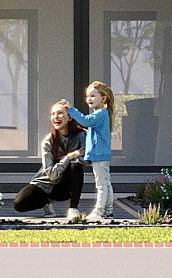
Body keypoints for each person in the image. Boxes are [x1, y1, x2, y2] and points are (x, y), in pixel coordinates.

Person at [64, 80, 118, 220]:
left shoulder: (100, 114)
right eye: (87, 96)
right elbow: (92, 128)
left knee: (101, 185)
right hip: (100, 154)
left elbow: (85, 120)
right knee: (106, 183)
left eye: (93, 96)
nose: (89, 99)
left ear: (103, 98)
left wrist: (71, 109)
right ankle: (108, 210)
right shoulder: (102, 114)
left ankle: (99, 212)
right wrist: (87, 130)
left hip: (99, 155)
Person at [38, 99, 86, 219]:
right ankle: (46, 202)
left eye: (60, 113)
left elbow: (87, 160)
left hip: (66, 185)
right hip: (47, 183)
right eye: (53, 114)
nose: (55, 117)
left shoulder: (80, 135)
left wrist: (72, 161)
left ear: (69, 117)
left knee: (76, 166)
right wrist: (69, 157)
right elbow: (51, 174)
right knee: (20, 203)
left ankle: (73, 208)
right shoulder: (47, 141)